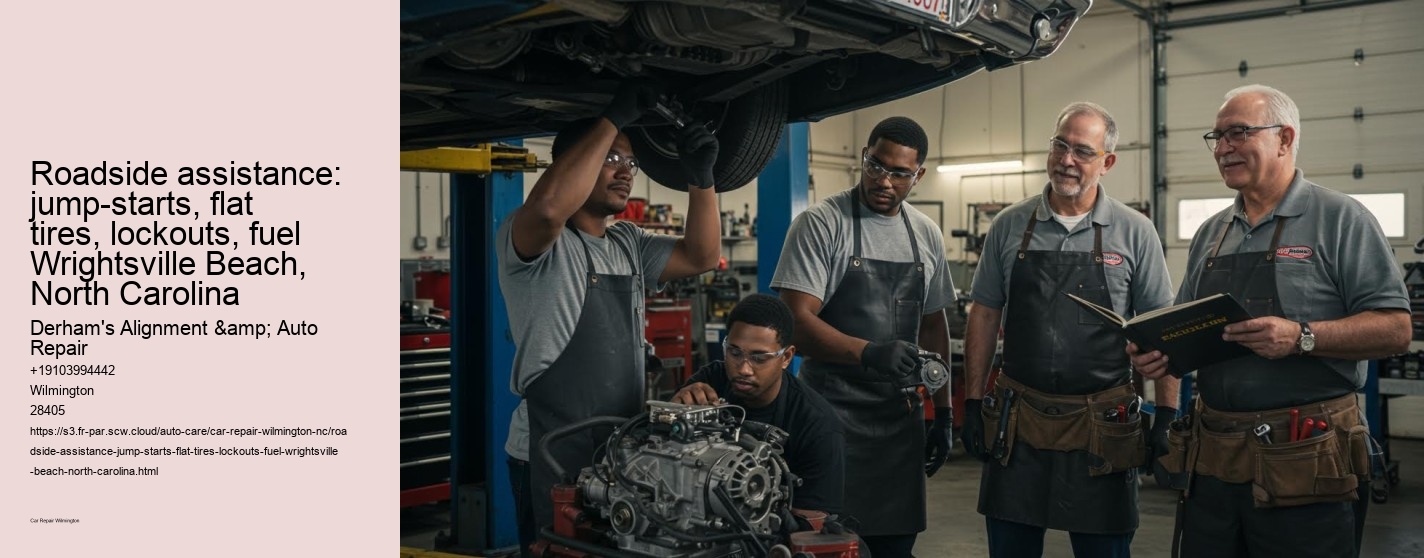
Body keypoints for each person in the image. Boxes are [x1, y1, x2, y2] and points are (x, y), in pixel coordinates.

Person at [1130, 84, 1411, 558]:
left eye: (1238, 132)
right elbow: (1184, 327)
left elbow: (1396, 328)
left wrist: (1302, 337)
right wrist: (1158, 351)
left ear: (1284, 138)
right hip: (1215, 460)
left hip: (1305, 459)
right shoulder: (1211, 233)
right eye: (1216, 137)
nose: (1222, 148)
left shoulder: (1340, 218)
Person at [497, 83, 723, 553]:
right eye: (612, 160)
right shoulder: (533, 239)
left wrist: (702, 180)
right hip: (548, 450)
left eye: (631, 164)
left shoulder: (629, 244)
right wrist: (611, 119)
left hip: (620, 451)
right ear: (575, 162)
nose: (626, 173)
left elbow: (701, 255)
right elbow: (548, 208)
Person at [960, 102, 1177, 558]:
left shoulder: (1135, 232)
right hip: (1018, 423)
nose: (1067, 160)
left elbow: (1163, 326)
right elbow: (984, 313)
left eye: (1082, 150)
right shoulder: (1009, 226)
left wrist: (1166, 414)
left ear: (1107, 162)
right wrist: (975, 399)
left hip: (1103, 425)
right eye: (1060, 145)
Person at [771, 116, 953, 558]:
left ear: (919, 175)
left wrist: (944, 410)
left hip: (898, 423)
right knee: (824, 546)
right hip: (828, 417)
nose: (884, 181)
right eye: (875, 165)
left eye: (899, 173)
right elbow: (793, 320)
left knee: (894, 548)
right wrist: (869, 353)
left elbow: (933, 324)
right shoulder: (821, 224)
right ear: (864, 157)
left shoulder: (925, 234)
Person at [672, 293, 845, 517]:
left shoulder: (817, 426)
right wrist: (674, 410)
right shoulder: (710, 382)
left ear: (786, 357)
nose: (743, 369)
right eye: (734, 352)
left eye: (759, 358)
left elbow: (812, 527)